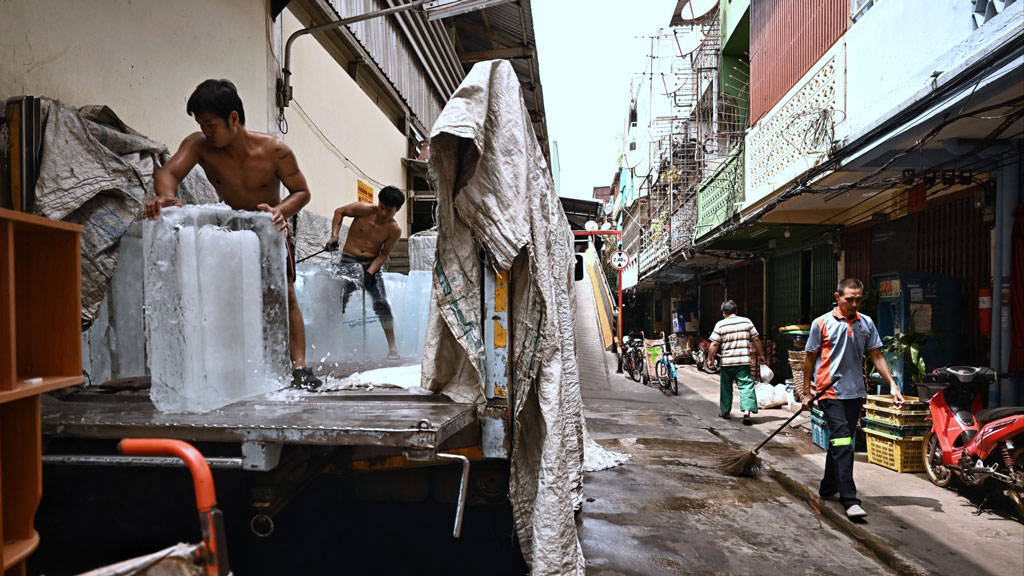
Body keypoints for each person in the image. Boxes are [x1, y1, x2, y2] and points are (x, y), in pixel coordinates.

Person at [145, 79, 322, 390]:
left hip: (268, 226)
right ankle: (235, 363)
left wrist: (281, 211)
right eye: (201, 124)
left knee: (284, 294)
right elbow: (168, 173)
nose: (206, 131)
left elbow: (302, 192)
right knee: (231, 294)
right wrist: (166, 196)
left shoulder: (275, 151)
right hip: (231, 228)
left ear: (234, 119)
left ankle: (299, 366)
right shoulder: (199, 145)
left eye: (211, 124)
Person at [802, 277, 904, 520]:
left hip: (855, 392)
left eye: (859, 299)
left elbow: (877, 356)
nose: (855, 303)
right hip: (829, 391)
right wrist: (806, 391)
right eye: (850, 299)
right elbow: (809, 358)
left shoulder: (866, 323)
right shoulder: (821, 324)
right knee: (843, 442)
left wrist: (892, 385)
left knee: (840, 443)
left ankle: (828, 486)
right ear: (838, 297)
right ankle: (849, 498)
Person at [325, 187, 404, 360]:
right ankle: (330, 343)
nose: (383, 213)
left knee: (382, 303)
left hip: (371, 264)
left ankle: (392, 347)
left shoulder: (394, 229)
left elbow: (384, 254)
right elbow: (340, 212)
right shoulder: (364, 209)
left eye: (389, 211)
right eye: (382, 207)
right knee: (338, 302)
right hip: (348, 261)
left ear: (397, 210)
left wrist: (370, 272)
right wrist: (334, 236)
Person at [708, 299, 765, 426]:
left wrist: (709, 359)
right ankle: (746, 412)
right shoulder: (747, 321)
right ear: (736, 311)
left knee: (726, 387)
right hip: (743, 361)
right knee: (746, 386)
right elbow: (755, 338)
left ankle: (725, 412)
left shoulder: (720, 324)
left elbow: (714, 343)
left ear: (723, 313)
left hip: (727, 362)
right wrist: (761, 354)